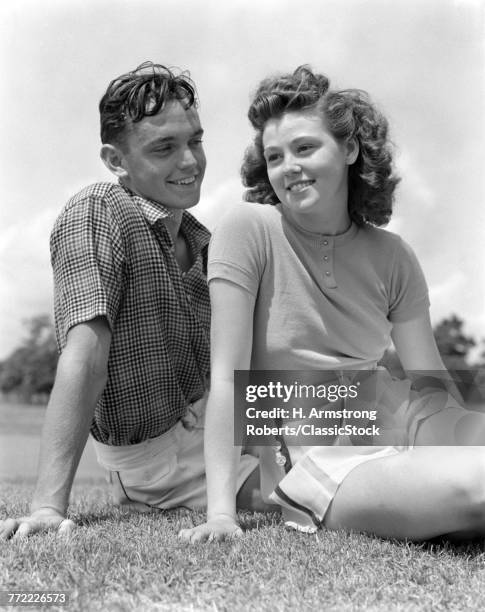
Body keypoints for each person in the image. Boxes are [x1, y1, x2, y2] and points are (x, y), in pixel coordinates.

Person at [179, 66, 485, 543]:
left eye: (305, 148)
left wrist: (461, 440)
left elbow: (430, 386)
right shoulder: (248, 229)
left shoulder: (394, 256)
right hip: (313, 456)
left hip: (397, 423)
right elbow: (226, 377)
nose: (288, 167)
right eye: (275, 156)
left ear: (349, 149)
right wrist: (221, 513)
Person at [0, 62, 261, 540]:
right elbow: (85, 355)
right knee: (324, 492)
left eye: (195, 141)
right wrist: (46, 507)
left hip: (223, 428)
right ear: (116, 159)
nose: (190, 162)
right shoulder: (101, 209)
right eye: (165, 148)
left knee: (373, 431)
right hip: (161, 462)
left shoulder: (207, 243)